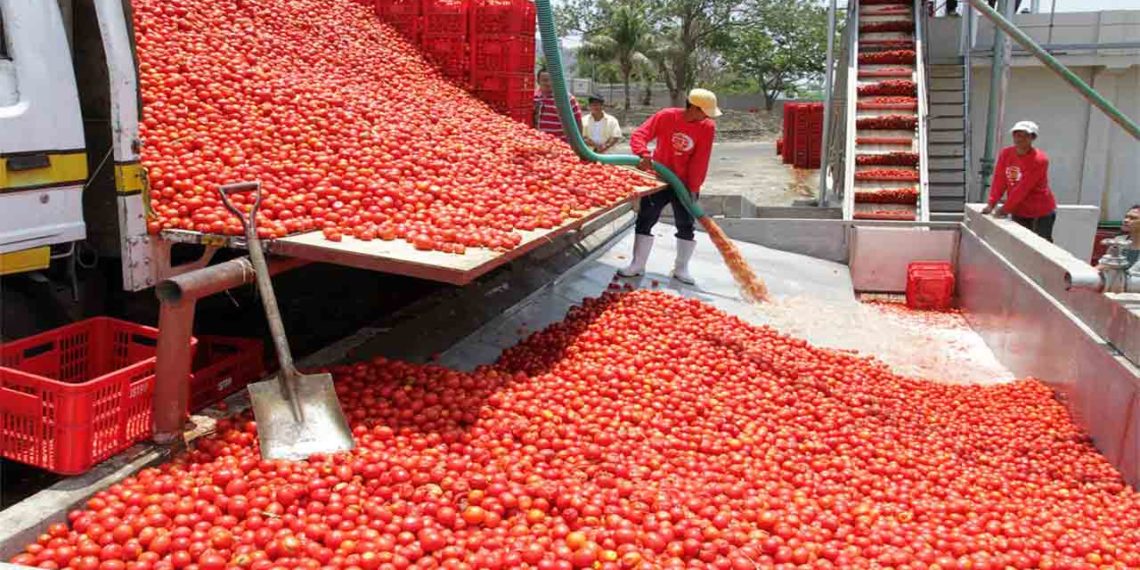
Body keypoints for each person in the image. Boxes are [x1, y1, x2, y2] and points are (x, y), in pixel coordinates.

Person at [617, 88, 720, 285]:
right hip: (659, 178)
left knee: (686, 224)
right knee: (646, 219)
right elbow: (640, 135)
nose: (707, 116)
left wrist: (693, 187)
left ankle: (681, 268)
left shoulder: (707, 126)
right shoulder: (666, 117)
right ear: (694, 108)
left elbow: (700, 159)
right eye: (705, 112)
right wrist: (643, 153)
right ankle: (637, 264)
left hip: (685, 184)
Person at [982, 120, 1058, 242]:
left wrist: (1005, 209)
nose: (1020, 139)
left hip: (1039, 212)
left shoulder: (1039, 160)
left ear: (1033, 138)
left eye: (1025, 136)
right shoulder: (1006, 154)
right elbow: (999, 180)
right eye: (1017, 135)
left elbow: (1023, 188)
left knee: (1039, 244)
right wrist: (991, 203)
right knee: (1019, 244)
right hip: (1018, 210)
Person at [533, 68, 582, 141]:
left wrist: (578, 142)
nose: (548, 83)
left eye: (551, 80)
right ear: (538, 81)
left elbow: (577, 121)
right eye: (545, 80)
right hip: (538, 142)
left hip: (560, 143)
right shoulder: (533, 98)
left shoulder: (567, 99)